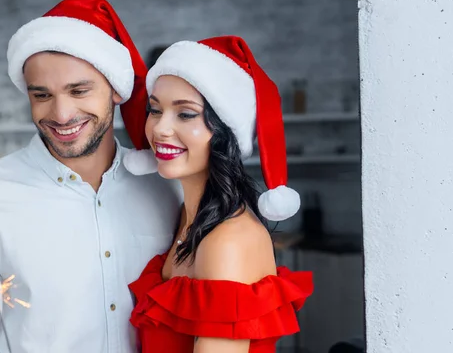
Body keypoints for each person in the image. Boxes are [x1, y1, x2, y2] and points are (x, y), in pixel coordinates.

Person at [0, 0, 182, 353]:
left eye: (79, 91)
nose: (61, 114)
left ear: (115, 89)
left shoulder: (167, 188)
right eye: (42, 95)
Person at [122, 36, 314, 353]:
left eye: (185, 114)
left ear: (225, 130)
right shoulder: (188, 215)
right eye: (155, 110)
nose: (159, 129)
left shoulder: (228, 241)